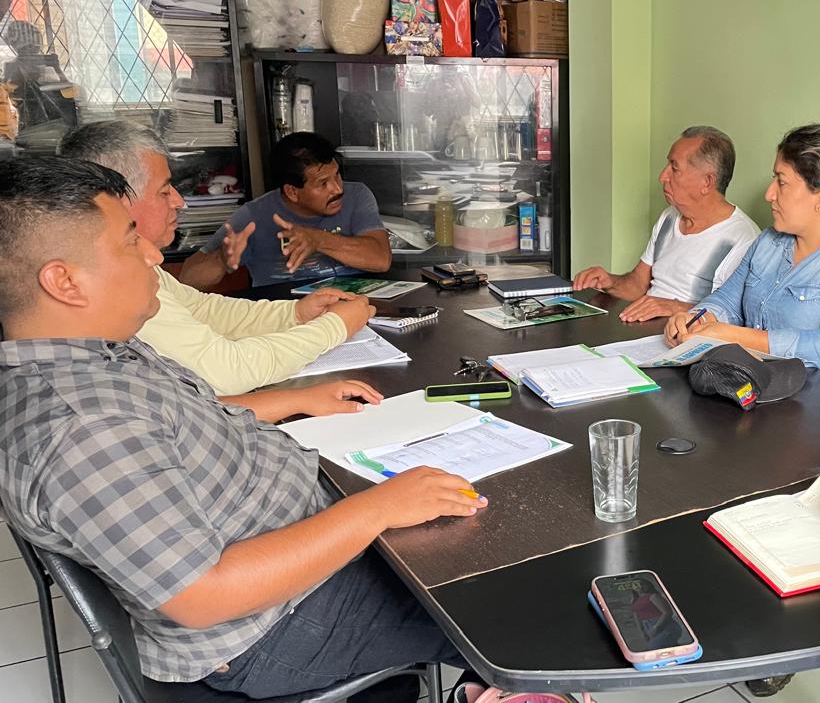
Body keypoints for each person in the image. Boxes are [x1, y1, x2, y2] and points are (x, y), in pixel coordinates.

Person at [0, 157, 485, 701]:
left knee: (468, 527)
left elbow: (184, 415)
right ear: (64, 281)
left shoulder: (98, 354)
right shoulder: (83, 427)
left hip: (295, 544)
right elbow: (202, 595)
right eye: (130, 241)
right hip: (274, 626)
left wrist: (295, 399)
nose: (155, 256)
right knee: (494, 601)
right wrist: (377, 509)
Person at [61, 121, 376, 396]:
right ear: (116, 200)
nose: (180, 201)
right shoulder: (112, 278)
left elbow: (203, 309)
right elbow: (228, 371)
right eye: (165, 190)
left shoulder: (137, 263)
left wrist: (295, 313)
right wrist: (334, 327)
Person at [664, 123, 820, 389]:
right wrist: (698, 318)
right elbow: (728, 301)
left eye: (782, 182)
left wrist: (735, 336)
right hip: (765, 392)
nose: (769, 194)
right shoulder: (769, 241)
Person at [572, 126, 759, 322]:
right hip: (643, 327)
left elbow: (736, 316)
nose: (663, 176)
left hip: (687, 334)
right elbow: (638, 283)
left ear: (707, 182)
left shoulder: (743, 238)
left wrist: (676, 308)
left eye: (674, 168)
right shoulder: (669, 217)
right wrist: (611, 282)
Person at [180, 132, 392, 289]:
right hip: (285, 319)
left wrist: (317, 240)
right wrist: (221, 260)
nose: (337, 189)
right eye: (323, 183)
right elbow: (187, 279)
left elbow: (381, 259)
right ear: (292, 192)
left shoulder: (357, 196)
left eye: (337, 175)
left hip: (351, 311)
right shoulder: (254, 216)